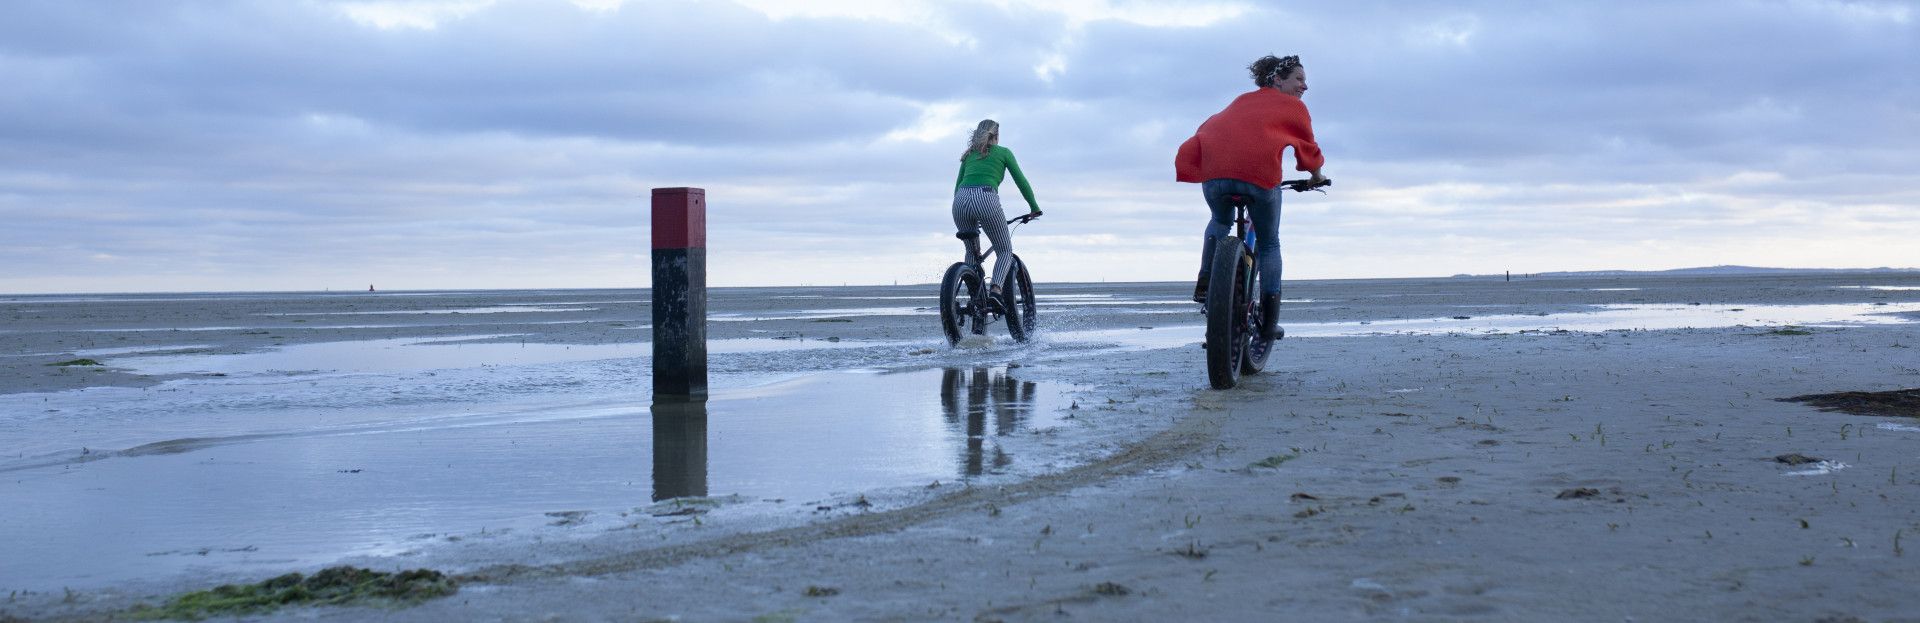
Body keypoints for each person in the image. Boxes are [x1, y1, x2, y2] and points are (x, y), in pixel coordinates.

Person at [1173, 54, 1326, 342]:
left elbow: (1210, 126)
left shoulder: (1240, 101)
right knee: (1269, 243)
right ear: (1277, 79)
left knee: (1220, 219)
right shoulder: (1292, 107)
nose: (1304, 87)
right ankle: (1269, 322)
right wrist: (1317, 177)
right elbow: (1308, 147)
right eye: (1299, 79)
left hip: (1214, 175)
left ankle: (1206, 281)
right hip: (1258, 177)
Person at [953, 119, 1041, 299]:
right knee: (1004, 250)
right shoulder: (1004, 153)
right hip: (986, 198)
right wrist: (1034, 207)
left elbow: (957, 186)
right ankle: (996, 290)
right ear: (997, 136)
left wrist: (965, 210)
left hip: (960, 200)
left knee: (971, 251)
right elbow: (1021, 181)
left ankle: (974, 297)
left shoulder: (969, 154)